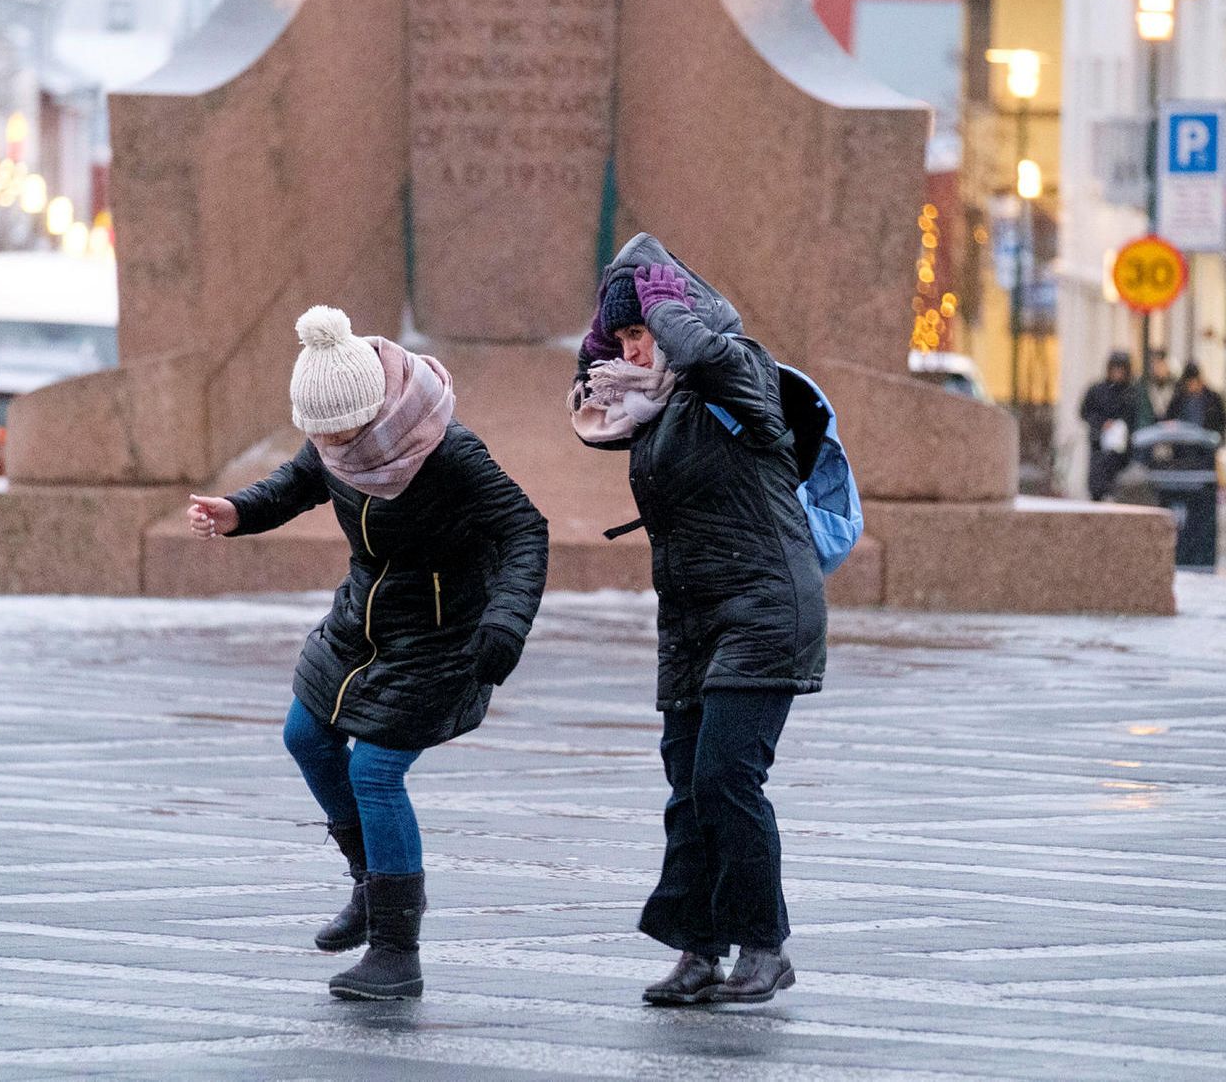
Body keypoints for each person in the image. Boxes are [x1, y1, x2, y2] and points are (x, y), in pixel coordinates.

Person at [187, 306, 548, 1001]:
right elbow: (296, 484)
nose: (326, 444)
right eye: (314, 432)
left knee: (377, 772)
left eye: (336, 430)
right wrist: (237, 512)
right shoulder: (333, 435)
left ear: (375, 407)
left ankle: (395, 951)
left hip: (441, 635)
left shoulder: (447, 450)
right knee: (305, 736)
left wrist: (506, 624)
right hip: (362, 623)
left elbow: (525, 530)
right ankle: (368, 883)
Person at [570, 233, 825, 1006]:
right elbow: (585, 397)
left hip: (764, 603)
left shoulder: (737, 369)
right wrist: (605, 336)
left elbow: (697, 349)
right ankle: (698, 950)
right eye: (621, 339)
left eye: (640, 333)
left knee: (726, 778)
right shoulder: (651, 407)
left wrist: (661, 297)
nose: (631, 350)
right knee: (687, 784)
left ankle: (764, 946)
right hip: (691, 617)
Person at [1078, 352, 1135, 502]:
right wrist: (1102, 424)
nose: (1118, 374)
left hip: (1122, 451)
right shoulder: (1097, 390)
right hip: (1099, 444)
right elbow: (1085, 412)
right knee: (1098, 485)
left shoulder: (1131, 393)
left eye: (1121, 370)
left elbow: (1135, 418)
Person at [1165, 362, 1226, 437]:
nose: (1190, 386)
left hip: (1205, 443)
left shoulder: (1213, 399)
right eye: (1188, 383)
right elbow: (1170, 418)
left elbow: (1221, 421)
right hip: (1183, 443)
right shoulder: (1179, 399)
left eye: (1192, 382)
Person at [1141, 350, 1175, 427]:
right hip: (1151, 429)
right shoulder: (1145, 387)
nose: (1159, 369)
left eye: (1161, 365)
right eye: (1156, 365)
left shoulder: (1176, 387)